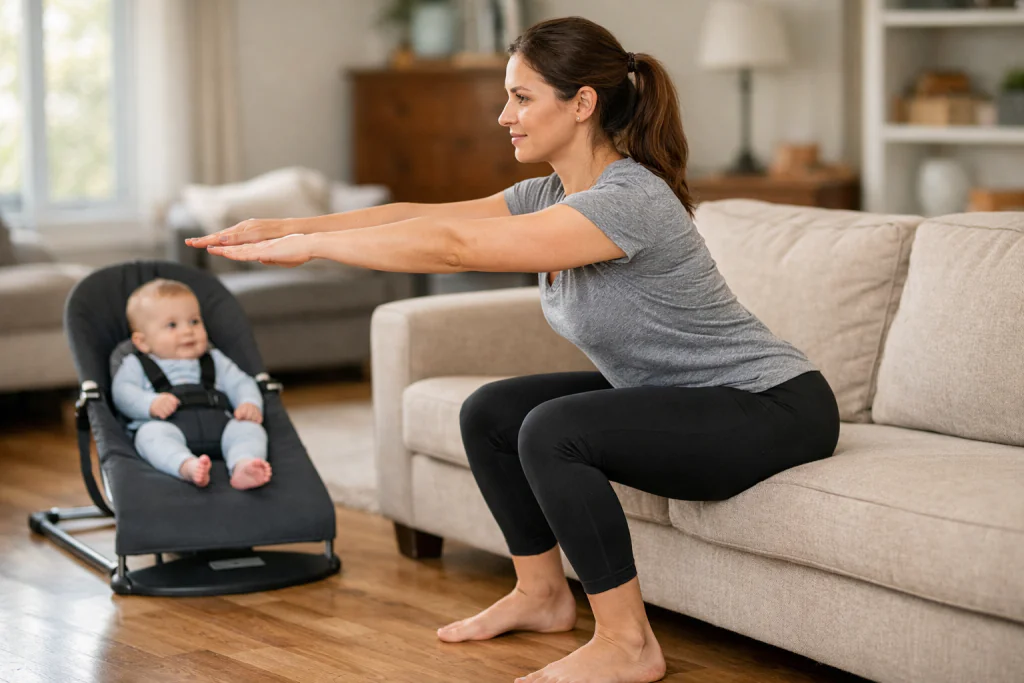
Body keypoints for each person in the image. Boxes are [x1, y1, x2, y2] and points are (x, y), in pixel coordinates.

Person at [186, 16, 840, 683]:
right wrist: (293, 224)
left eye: (522, 97)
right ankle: (541, 594)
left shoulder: (630, 199)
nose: (505, 115)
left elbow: (453, 248)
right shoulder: (549, 193)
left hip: (770, 406)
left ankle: (628, 643)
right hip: (683, 398)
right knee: (491, 411)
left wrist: (315, 249)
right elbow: (424, 216)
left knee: (554, 430)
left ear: (582, 103)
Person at [112, 278, 272, 490]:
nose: (188, 331)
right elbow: (122, 392)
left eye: (194, 321)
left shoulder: (214, 359)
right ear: (142, 342)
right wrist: (149, 403)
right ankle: (186, 465)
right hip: (169, 427)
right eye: (172, 325)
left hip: (220, 426)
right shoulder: (136, 364)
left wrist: (248, 402)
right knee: (149, 436)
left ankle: (243, 464)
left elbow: (241, 382)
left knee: (249, 429)